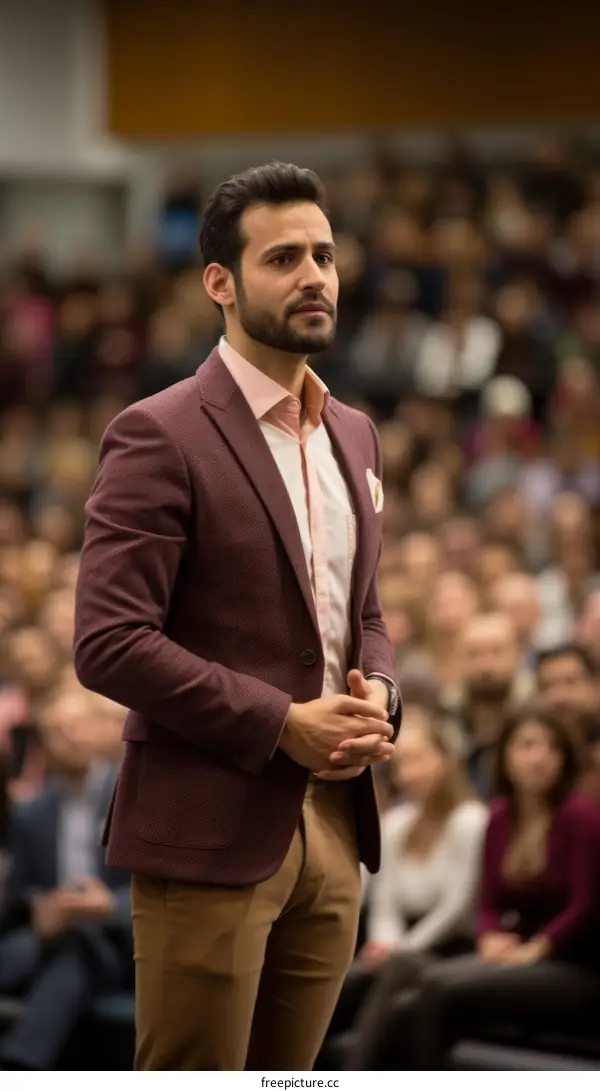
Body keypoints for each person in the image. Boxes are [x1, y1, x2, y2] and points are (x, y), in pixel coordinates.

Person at [73, 162, 401, 1071]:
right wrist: (281, 723)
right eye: (284, 257)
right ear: (219, 281)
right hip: (206, 825)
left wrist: (384, 694)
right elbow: (108, 642)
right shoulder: (158, 432)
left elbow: (362, 610)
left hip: (336, 822)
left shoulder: (357, 433)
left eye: (326, 256)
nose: (315, 277)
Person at [411, 705, 600, 1070]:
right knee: (412, 994)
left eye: (552, 748)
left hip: (574, 964)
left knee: (437, 987)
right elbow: (488, 901)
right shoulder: (499, 816)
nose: (540, 757)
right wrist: (490, 936)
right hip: (518, 953)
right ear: (506, 757)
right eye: (527, 745)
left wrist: (538, 949)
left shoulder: (581, 815)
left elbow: (586, 905)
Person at [343, 707, 487, 1069]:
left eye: (419, 761)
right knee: (341, 985)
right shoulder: (396, 822)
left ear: (445, 759)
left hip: (451, 949)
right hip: (400, 952)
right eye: (402, 764)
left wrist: (399, 950)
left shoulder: (470, 821)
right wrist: (384, 945)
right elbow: (385, 901)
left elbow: (457, 907)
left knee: (393, 979)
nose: (408, 774)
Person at [0, 705, 131, 1071]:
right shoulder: (33, 812)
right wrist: (41, 908)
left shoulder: (132, 796)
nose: (70, 736)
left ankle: (18, 1064)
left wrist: (106, 907)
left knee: (79, 944)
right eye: (58, 729)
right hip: (47, 935)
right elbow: (21, 893)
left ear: (97, 729)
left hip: (118, 938)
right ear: (44, 743)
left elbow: (160, 890)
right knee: (55, 946)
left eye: (77, 725)